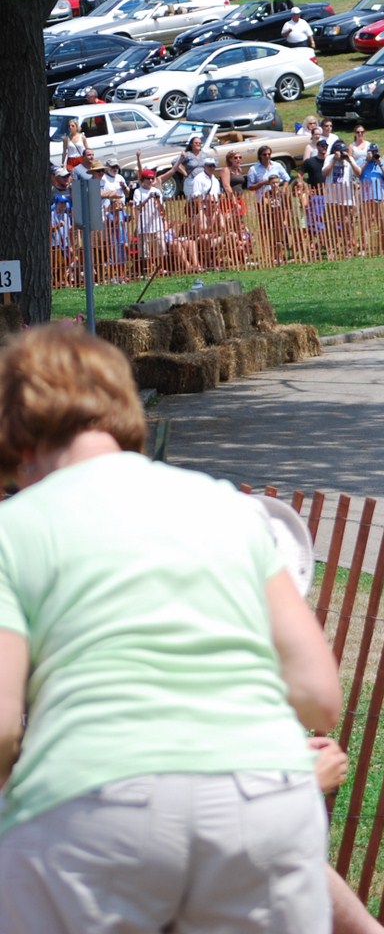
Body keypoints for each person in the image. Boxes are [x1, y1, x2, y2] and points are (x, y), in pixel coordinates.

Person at [0, 325, 341, 933]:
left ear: (18, 440)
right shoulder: (231, 509)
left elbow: (2, 725)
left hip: (93, 807)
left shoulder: (14, 528)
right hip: (265, 805)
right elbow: (319, 694)